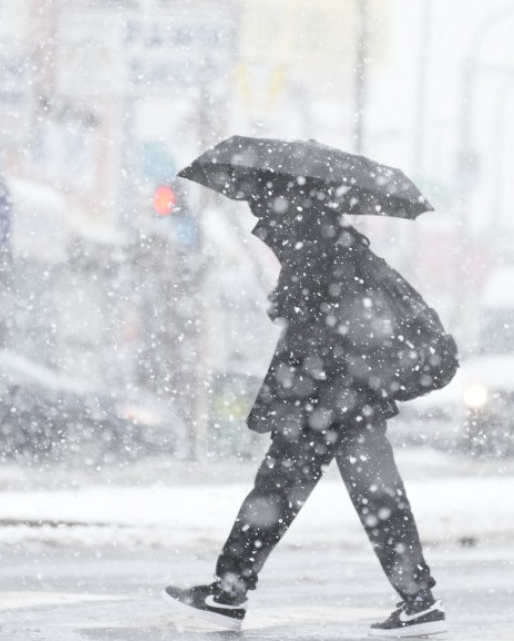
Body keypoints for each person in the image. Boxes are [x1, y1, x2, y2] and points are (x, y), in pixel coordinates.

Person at [163, 182, 457, 637]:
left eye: (268, 211)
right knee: (373, 499)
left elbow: (313, 321)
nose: (264, 221)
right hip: (347, 399)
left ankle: (229, 592)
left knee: (278, 494)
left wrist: (284, 299)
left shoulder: (319, 252)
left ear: (294, 210)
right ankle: (417, 600)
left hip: (324, 401)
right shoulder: (342, 249)